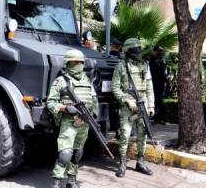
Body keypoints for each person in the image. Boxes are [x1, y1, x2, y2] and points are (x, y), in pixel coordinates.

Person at [47, 49, 99, 188]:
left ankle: (71, 180)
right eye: (75, 62)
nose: (78, 65)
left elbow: (94, 99)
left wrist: (94, 114)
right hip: (69, 122)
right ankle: (57, 181)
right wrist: (64, 108)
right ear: (68, 63)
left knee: (77, 152)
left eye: (81, 62)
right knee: (65, 153)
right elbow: (50, 102)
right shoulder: (61, 81)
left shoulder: (87, 80)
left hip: (85, 122)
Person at [111, 38, 154, 178]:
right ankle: (122, 163)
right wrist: (126, 100)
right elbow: (115, 88)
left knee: (143, 134)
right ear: (128, 51)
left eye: (139, 48)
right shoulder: (121, 66)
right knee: (125, 134)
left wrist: (151, 105)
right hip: (127, 106)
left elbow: (149, 87)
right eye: (135, 49)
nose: (138, 51)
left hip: (143, 104)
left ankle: (140, 162)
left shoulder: (145, 65)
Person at [149, 46, 167, 124]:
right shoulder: (151, 60)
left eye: (160, 51)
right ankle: (154, 117)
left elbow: (163, 71)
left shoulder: (161, 59)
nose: (159, 53)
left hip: (161, 82)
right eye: (157, 51)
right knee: (155, 100)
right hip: (154, 82)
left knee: (160, 100)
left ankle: (159, 118)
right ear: (153, 51)